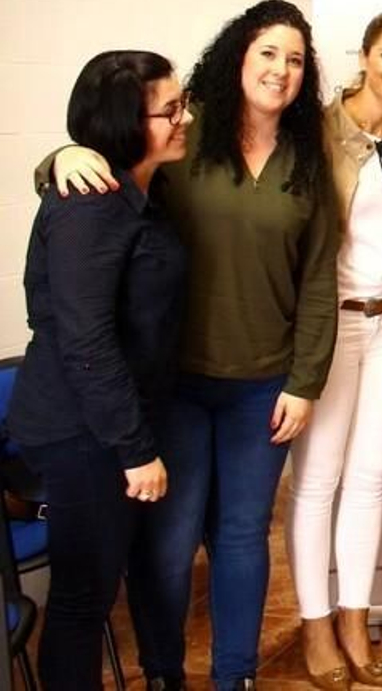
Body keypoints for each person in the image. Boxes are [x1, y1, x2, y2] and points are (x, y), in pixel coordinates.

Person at [48, 0, 340, 691]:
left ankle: (234, 675)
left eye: (295, 59)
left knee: (241, 538)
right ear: (238, 56)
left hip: (263, 387)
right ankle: (163, 674)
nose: (281, 70)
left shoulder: (305, 160)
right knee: (171, 545)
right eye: (268, 53)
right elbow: (106, 180)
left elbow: (321, 278)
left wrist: (305, 382)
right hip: (173, 383)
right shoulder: (184, 136)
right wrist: (62, 154)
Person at [11, 51, 191, 689]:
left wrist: (56, 154)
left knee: (132, 570)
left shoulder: (144, 185)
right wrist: (134, 449)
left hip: (119, 421)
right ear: (124, 121)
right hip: (82, 430)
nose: (183, 117)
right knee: (84, 597)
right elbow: (86, 341)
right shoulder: (90, 203)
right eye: (170, 109)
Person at [288, 9, 382, 689]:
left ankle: (354, 618)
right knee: (318, 482)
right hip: (332, 324)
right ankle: (316, 627)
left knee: (372, 477)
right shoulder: (317, 129)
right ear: (366, 56)